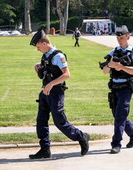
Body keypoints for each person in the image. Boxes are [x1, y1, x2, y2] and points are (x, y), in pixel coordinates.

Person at [29, 29, 90, 159]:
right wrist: (38, 66)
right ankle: (45, 149)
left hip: (56, 93)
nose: (37, 50)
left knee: (60, 122)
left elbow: (67, 74)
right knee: (41, 121)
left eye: (38, 47)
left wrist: (51, 84)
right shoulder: (46, 56)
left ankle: (81, 136)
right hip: (45, 93)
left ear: (44, 43)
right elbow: (49, 69)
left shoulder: (58, 56)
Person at [101, 25, 133, 154]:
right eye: (118, 38)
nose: (119, 40)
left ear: (128, 37)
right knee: (117, 114)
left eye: (122, 37)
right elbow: (104, 71)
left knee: (120, 115)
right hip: (114, 87)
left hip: (126, 87)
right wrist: (110, 65)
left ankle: (116, 143)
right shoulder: (114, 52)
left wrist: (121, 67)